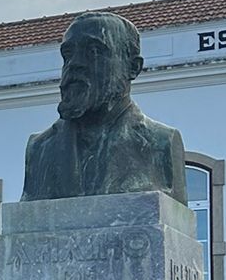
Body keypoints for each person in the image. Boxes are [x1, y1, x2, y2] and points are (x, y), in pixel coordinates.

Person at [22, 11, 187, 203]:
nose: (75, 64)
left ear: (133, 67)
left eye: (94, 52)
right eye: (68, 54)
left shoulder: (161, 143)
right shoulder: (40, 148)